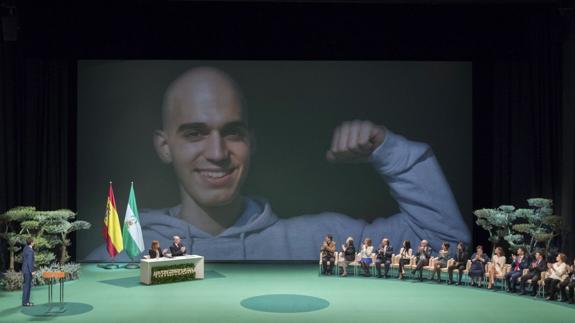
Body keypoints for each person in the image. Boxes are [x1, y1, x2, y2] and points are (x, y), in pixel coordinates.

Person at [86, 67, 470, 261]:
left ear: (251, 143)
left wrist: (388, 149)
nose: (217, 152)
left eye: (232, 132)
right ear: (164, 146)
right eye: (195, 133)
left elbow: (447, 244)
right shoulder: (122, 253)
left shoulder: (322, 241)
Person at [21, 237, 36, 307]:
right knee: (27, 286)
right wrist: (32, 271)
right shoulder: (30, 250)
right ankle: (26, 302)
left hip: (25, 270)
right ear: (31, 242)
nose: (34, 242)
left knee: (26, 286)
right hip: (28, 271)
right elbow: (30, 262)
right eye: (34, 241)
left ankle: (25, 301)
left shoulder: (25, 248)